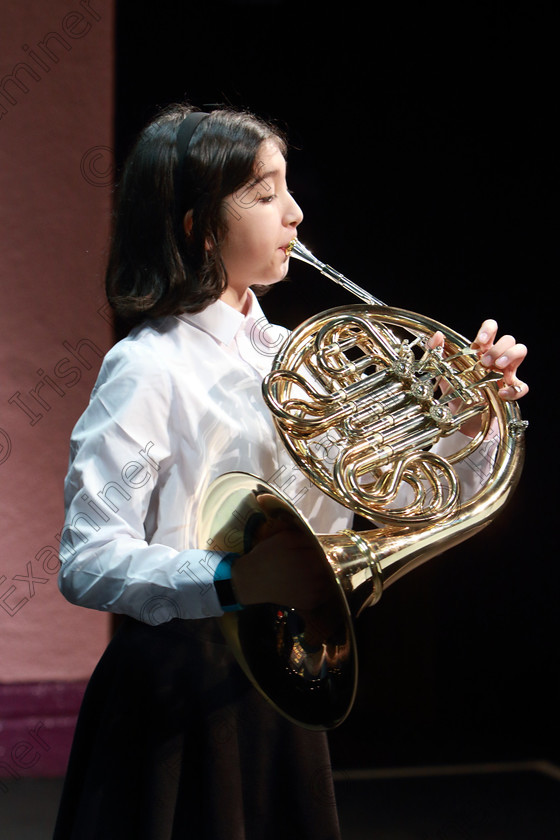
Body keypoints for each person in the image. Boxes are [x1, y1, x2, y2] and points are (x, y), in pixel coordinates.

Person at [52, 103, 528, 840]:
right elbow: (86, 561)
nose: (296, 213)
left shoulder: (292, 358)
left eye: (288, 188)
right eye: (266, 192)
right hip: (176, 695)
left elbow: (406, 499)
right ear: (197, 226)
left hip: (282, 686)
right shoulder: (145, 368)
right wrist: (227, 581)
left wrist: (469, 424)